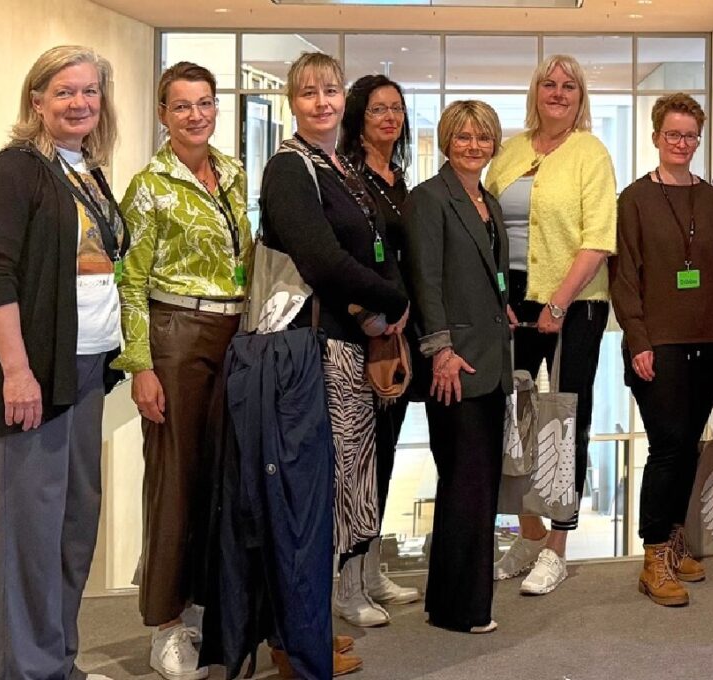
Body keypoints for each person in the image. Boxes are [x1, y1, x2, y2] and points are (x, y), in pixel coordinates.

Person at [0, 44, 126, 680]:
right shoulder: (15, 169)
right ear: (36, 101)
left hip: (85, 371)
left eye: (90, 91)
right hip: (33, 376)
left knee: (72, 528)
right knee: (26, 536)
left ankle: (58, 662)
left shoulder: (86, 170)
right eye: (64, 91)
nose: (79, 103)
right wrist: (16, 372)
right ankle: (23, 671)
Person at [260, 51, 411, 675]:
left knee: (340, 487)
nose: (321, 102)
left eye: (330, 91)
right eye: (308, 93)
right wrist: (391, 299)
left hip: (350, 344)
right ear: (292, 102)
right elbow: (320, 260)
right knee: (312, 494)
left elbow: (372, 247)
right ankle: (296, 643)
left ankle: (313, 626)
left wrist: (385, 305)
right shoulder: (289, 168)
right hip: (311, 349)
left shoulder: (340, 165)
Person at [115, 61, 247, 680]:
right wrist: (140, 366)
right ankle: (164, 624)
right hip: (175, 336)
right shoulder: (149, 186)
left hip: (234, 335)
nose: (197, 115)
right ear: (163, 114)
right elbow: (130, 282)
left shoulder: (233, 173)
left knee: (221, 479)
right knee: (174, 481)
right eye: (183, 105)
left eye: (205, 103)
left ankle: (201, 609)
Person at [486, 54, 618, 596]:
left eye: (569, 86)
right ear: (535, 92)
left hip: (575, 301)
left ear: (580, 97)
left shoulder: (591, 153)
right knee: (512, 418)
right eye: (549, 83)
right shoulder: (510, 152)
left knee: (564, 420)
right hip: (512, 300)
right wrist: (499, 297)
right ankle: (530, 532)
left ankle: (558, 546)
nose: (558, 93)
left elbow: (599, 238)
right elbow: (487, 228)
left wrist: (558, 304)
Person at [611, 93, 713, 606]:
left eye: (690, 136)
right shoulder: (634, 199)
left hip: (709, 341)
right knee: (667, 446)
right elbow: (624, 276)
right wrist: (638, 339)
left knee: (688, 448)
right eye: (673, 134)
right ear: (656, 136)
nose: (682, 143)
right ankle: (653, 556)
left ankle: (675, 541)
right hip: (657, 345)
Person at [404, 100, 514, 633]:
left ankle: (449, 602)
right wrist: (440, 350)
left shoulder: (487, 201)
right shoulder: (428, 199)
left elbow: (489, 274)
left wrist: (501, 307)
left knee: (477, 486)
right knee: (465, 484)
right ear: (448, 140)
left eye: (483, 137)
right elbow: (425, 281)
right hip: (455, 363)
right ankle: (462, 608)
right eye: (464, 137)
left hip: (490, 360)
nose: (474, 146)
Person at [336, 72, 424, 617]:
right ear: (358, 118)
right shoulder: (348, 179)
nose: (389, 118)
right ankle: (346, 585)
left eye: (396, 109)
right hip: (363, 331)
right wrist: (373, 311)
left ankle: (369, 570)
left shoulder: (399, 180)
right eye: (377, 110)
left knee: (385, 455)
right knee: (358, 461)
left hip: (400, 334)